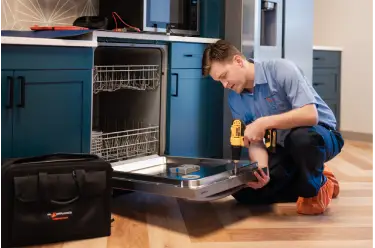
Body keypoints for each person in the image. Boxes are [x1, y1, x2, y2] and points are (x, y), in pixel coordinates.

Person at [202, 39, 344, 215]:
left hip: (320, 135)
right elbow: (256, 142)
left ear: (238, 61)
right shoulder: (235, 98)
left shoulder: (281, 70)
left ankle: (314, 188)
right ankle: (318, 178)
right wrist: (262, 171)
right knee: (245, 193)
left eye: (224, 76)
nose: (224, 85)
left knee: (301, 139)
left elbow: (310, 115)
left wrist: (263, 122)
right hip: (283, 146)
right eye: (219, 81)